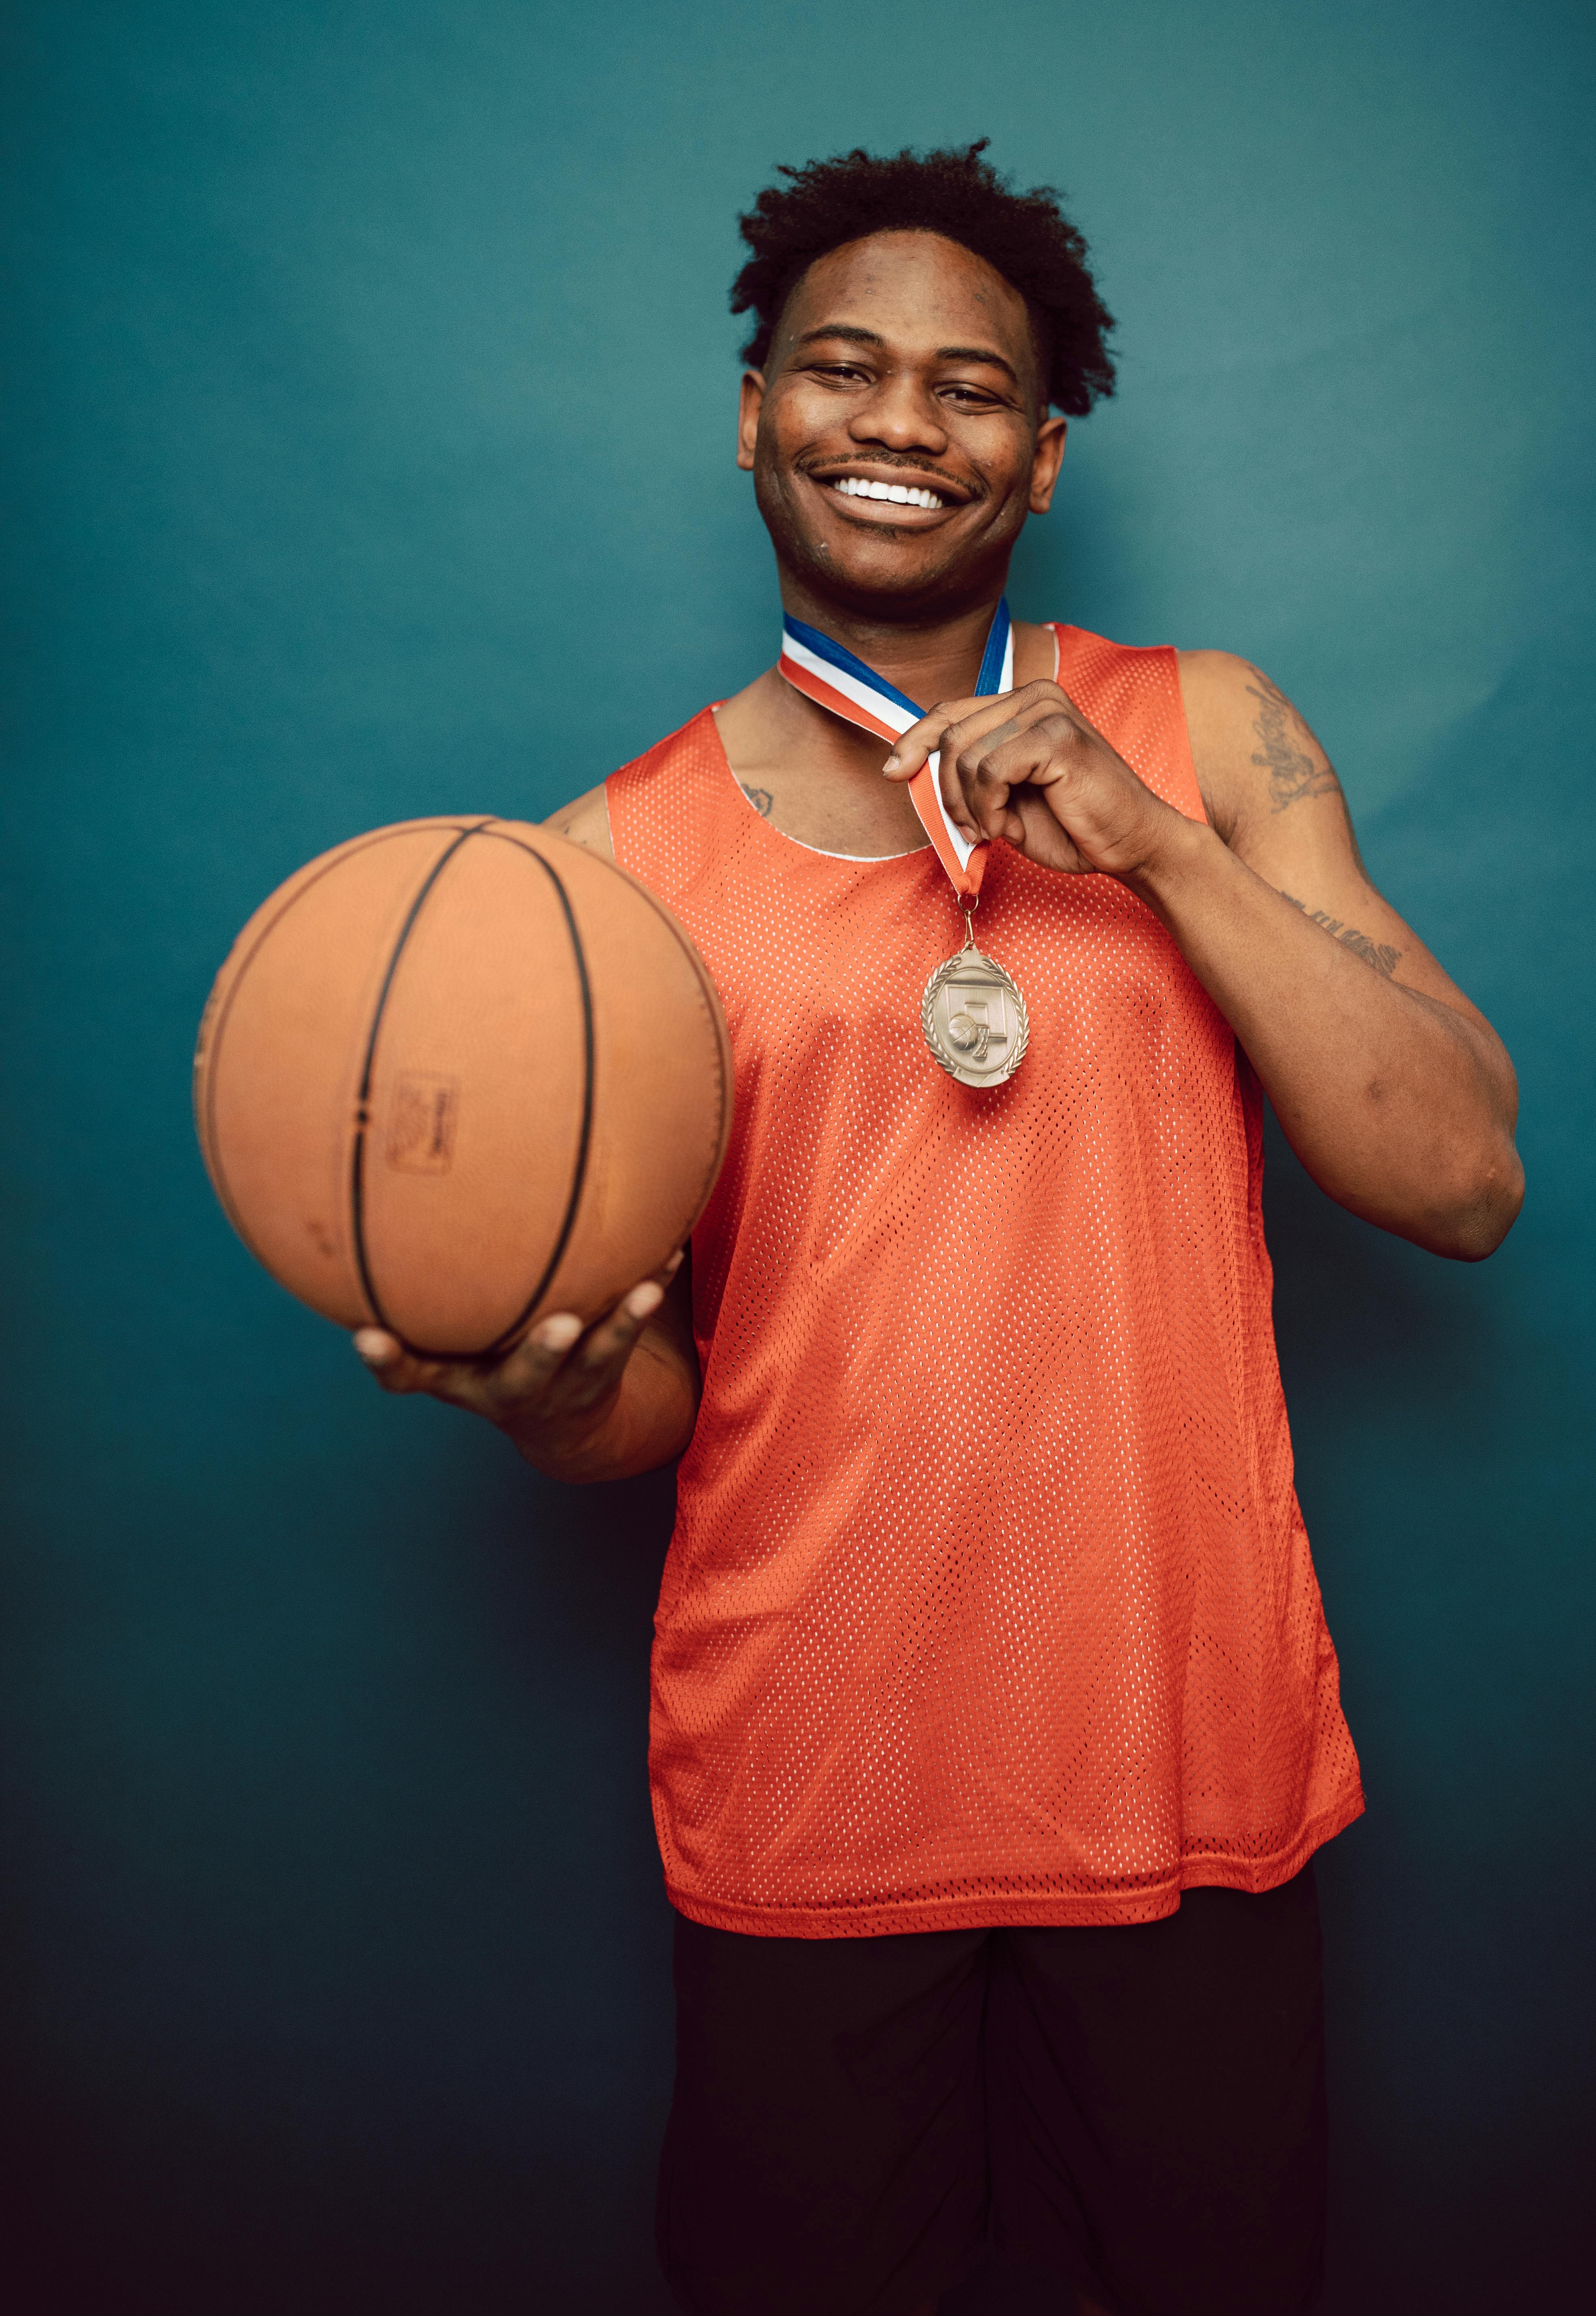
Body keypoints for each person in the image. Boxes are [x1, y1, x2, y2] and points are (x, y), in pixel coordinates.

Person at [354, 142, 1524, 2316]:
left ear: (1048, 455)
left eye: (972, 388)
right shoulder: (598, 869)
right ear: (753, 411)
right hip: (815, 1785)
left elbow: (1462, 1181)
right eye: (843, 370)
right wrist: (540, 1391)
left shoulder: (1214, 734)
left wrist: (1163, 856)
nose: (902, 425)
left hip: (1179, 1770)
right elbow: (655, 1416)